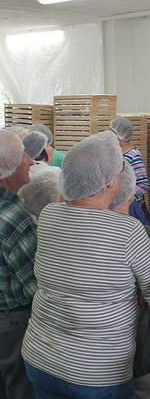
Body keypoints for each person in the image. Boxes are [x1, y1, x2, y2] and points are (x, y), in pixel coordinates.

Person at [22, 130, 150, 399]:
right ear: (111, 182)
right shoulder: (129, 231)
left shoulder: (50, 215)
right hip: (97, 372)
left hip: (40, 357)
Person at [110, 163, 150, 399]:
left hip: (100, 356)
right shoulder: (146, 236)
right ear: (130, 192)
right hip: (142, 354)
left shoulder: (86, 233)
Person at [0, 129, 36, 399]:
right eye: (24, 154)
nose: (31, 161)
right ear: (7, 167)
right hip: (13, 324)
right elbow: (36, 288)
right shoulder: (15, 220)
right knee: (19, 388)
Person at [110, 116, 150, 226]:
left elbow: (144, 185)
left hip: (130, 208)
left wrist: (125, 195)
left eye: (112, 132)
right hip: (115, 206)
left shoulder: (134, 156)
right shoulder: (115, 153)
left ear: (119, 135)